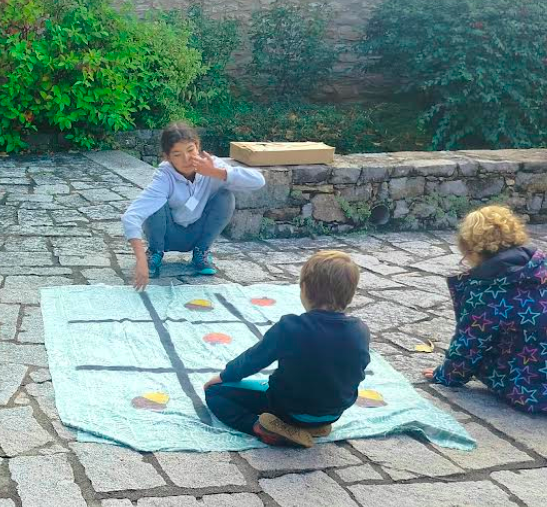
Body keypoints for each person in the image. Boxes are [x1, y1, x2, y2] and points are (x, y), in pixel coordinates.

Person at [427, 205, 547, 422]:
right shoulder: (539, 267)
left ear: (472, 251)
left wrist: (445, 375)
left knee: (483, 361)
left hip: (539, 373)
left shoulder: (487, 290)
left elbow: (469, 345)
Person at [203, 251, 370, 447]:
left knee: (215, 393)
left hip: (287, 408)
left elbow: (254, 359)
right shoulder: (360, 330)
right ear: (350, 294)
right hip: (332, 413)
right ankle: (314, 426)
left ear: (304, 288)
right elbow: (357, 370)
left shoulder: (290, 327)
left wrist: (225, 375)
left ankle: (260, 427)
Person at [122, 121, 266, 289]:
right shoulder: (163, 177)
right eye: (177, 154)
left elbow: (259, 181)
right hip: (167, 233)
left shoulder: (212, 165)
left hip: (197, 233)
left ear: (197, 146)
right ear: (167, 157)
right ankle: (155, 252)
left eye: (190, 150)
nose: (186, 159)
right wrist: (140, 259)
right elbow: (131, 216)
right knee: (154, 204)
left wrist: (216, 173)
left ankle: (201, 252)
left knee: (225, 197)